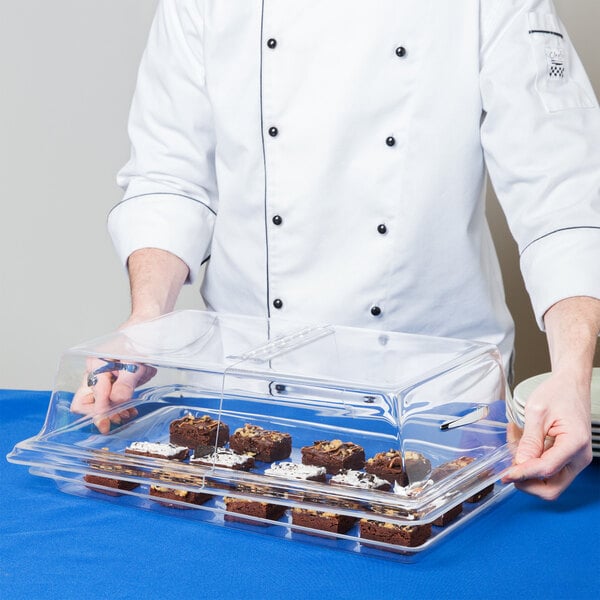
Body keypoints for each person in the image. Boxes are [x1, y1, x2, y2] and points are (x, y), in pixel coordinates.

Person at [71, 0, 600, 500]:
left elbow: (561, 191)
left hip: (437, 406)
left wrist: (572, 373)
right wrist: (147, 321)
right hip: (247, 397)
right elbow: (170, 177)